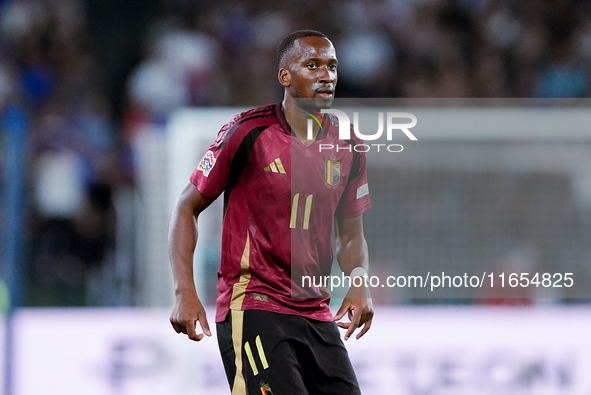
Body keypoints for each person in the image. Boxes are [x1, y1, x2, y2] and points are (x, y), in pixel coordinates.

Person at [168, 29, 373, 395]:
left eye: (332, 66)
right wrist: (185, 290)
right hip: (254, 302)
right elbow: (187, 207)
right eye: (312, 65)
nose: (326, 75)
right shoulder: (248, 132)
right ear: (285, 76)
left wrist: (358, 282)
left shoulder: (348, 143)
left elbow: (351, 233)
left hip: (315, 310)